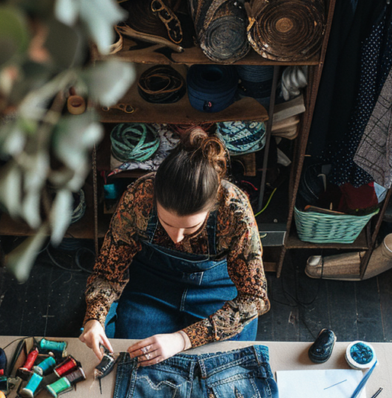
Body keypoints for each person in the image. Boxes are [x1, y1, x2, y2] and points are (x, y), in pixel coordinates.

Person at [80, 128, 268, 366]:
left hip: (215, 290)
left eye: (190, 229)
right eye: (166, 223)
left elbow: (252, 298)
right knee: (134, 359)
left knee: (224, 363)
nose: (177, 238)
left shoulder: (234, 209)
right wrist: (93, 319)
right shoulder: (139, 196)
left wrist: (182, 339)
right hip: (152, 287)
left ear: (211, 207)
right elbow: (108, 272)